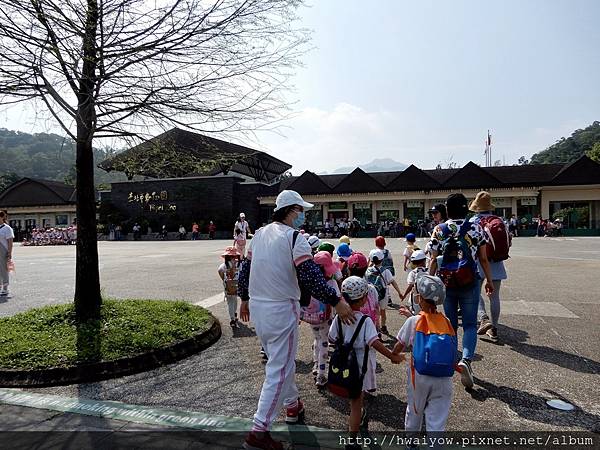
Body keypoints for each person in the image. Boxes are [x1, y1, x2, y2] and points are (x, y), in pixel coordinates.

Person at [238, 190, 355, 450]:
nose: (303, 215)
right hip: (281, 309)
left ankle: (292, 406)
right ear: (291, 210)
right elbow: (311, 276)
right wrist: (337, 301)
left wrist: (244, 298)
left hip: (258, 308)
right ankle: (258, 431)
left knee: (280, 360)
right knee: (279, 369)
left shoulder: (258, 235)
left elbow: (245, 269)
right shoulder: (295, 238)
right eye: (301, 211)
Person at [428, 193, 494, 389]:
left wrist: (430, 284)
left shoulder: (439, 229)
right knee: (470, 325)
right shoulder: (475, 227)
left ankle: (453, 359)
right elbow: (483, 259)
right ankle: (466, 360)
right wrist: (489, 280)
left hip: (447, 283)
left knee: (450, 325)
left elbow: (433, 259)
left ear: (447, 210)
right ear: (466, 209)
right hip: (470, 281)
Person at [329, 276, 403, 446]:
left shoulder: (338, 318)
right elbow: (374, 342)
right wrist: (392, 355)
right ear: (363, 299)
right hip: (360, 368)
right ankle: (352, 440)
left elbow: (332, 338)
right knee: (356, 403)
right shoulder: (365, 320)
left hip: (343, 366)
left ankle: (357, 422)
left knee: (353, 399)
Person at [393, 274, 454, 435]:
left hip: (420, 376)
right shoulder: (446, 322)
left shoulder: (414, 321)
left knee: (415, 410)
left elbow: (399, 345)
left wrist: (394, 355)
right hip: (444, 378)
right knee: (437, 419)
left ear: (419, 297)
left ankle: (411, 443)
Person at [469, 192, 508, 343]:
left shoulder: (473, 221)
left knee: (474, 292)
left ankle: (483, 317)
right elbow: (507, 243)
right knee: (495, 296)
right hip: (496, 262)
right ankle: (494, 329)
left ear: (476, 207)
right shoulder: (500, 221)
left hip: (478, 261)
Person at [300, 250, 338, 388]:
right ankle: (322, 374)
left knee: (316, 338)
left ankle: (316, 365)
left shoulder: (309, 281)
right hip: (325, 318)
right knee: (324, 343)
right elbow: (337, 298)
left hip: (311, 316)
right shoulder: (331, 283)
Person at [366, 249, 403, 335]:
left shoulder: (367, 271)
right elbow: (393, 282)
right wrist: (399, 292)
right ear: (382, 259)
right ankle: (383, 326)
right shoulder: (385, 271)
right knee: (382, 311)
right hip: (383, 294)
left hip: (371, 295)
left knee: (374, 311)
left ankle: (376, 328)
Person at [218, 246, 241, 327]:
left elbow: (221, 275)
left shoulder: (222, 266)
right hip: (236, 286)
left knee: (230, 303)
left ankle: (232, 319)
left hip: (227, 288)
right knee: (235, 301)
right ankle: (234, 315)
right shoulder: (239, 265)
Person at [399, 249, 428, 315]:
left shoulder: (412, 273)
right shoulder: (428, 272)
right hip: (427, 298)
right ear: (424, 261)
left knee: (415, 317)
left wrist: (404, 295)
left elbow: (410, 285)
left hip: (415, 299)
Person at [0, 211, 15, 297]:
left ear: (2, 217)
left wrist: (9, 253)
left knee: (4, 269)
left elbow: (10, 242)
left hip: (3, 250)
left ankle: (5, 287)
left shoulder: (7, 228)